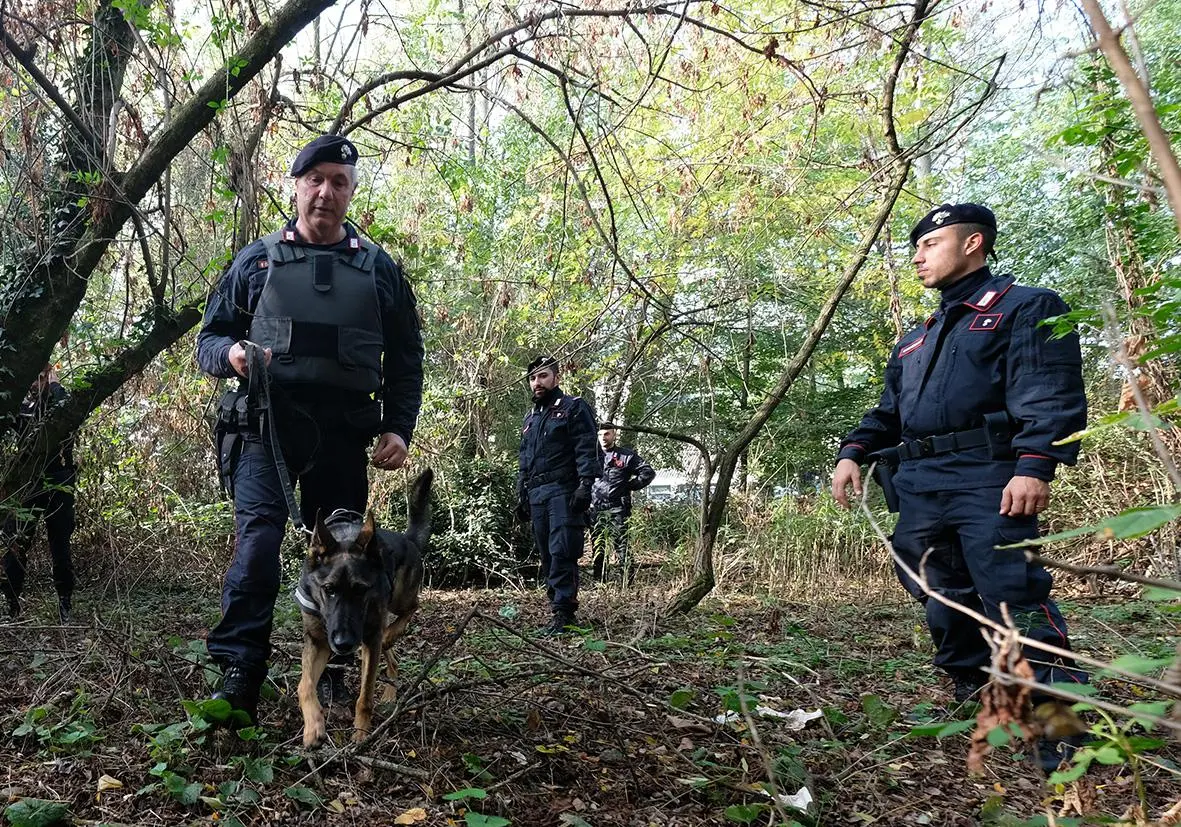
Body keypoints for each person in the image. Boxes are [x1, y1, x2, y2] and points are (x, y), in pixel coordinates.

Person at [831, 203, 1088, 771]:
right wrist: (852, 452)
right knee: (942, 601)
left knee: (1012, 595)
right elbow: (889, 413)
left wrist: (1035, 464)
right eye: (916, 247)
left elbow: (1048, 391)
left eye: (931, 244)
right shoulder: (915, 339)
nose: (918, 257)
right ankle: (979, 704)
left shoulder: (1025, 307)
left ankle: (1063, 734)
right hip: (919, 485)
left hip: (989, 477)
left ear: (973, 244)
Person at [196, 134, 424, 723]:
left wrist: (399, 427)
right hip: (265, 430)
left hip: (344, 433)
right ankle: (238, 673)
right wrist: (234, 357)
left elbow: (405, 359)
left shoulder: (379, 271)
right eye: (315, 179)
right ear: (297, 185)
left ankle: (336, 674)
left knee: (348, 560)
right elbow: (209, 340)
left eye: (339, 182)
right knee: (260, 544)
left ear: (351, 192)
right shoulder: (257, 261)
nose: (326, 191)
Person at [516, 356, 599, 634]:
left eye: (542, 376)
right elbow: (525, 458)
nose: (537, 383)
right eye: (533, 378)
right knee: (546, 556)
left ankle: (564, 614)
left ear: (556, 378)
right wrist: (521, 494)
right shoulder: (531, 418)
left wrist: (585, 485)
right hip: (537, 493)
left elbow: (586, 448)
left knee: (562, 550)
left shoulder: (573, 408)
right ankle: (556, 610)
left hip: (564, 491)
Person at [1, 364, 77, 624]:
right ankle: (11, 602)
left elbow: (71, 413)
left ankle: (65, 601)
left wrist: (54, 385)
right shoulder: (23, 405)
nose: (35, 383)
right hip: (29, 481)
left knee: (60, 543)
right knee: (16, 540)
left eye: (40, 377)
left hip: (59, 479)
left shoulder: (61, 400)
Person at [588, 423, 655, 583]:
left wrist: (630, 486)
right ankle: (599, 583)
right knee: (598, 548)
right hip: (595, 508)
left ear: (614, 435)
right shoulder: (591, 456)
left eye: (607, 434)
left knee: (622, 546)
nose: (604, 437)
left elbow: (648, 472)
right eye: (601, 434)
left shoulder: (626, 456)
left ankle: (627, 583)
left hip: (618, 508)